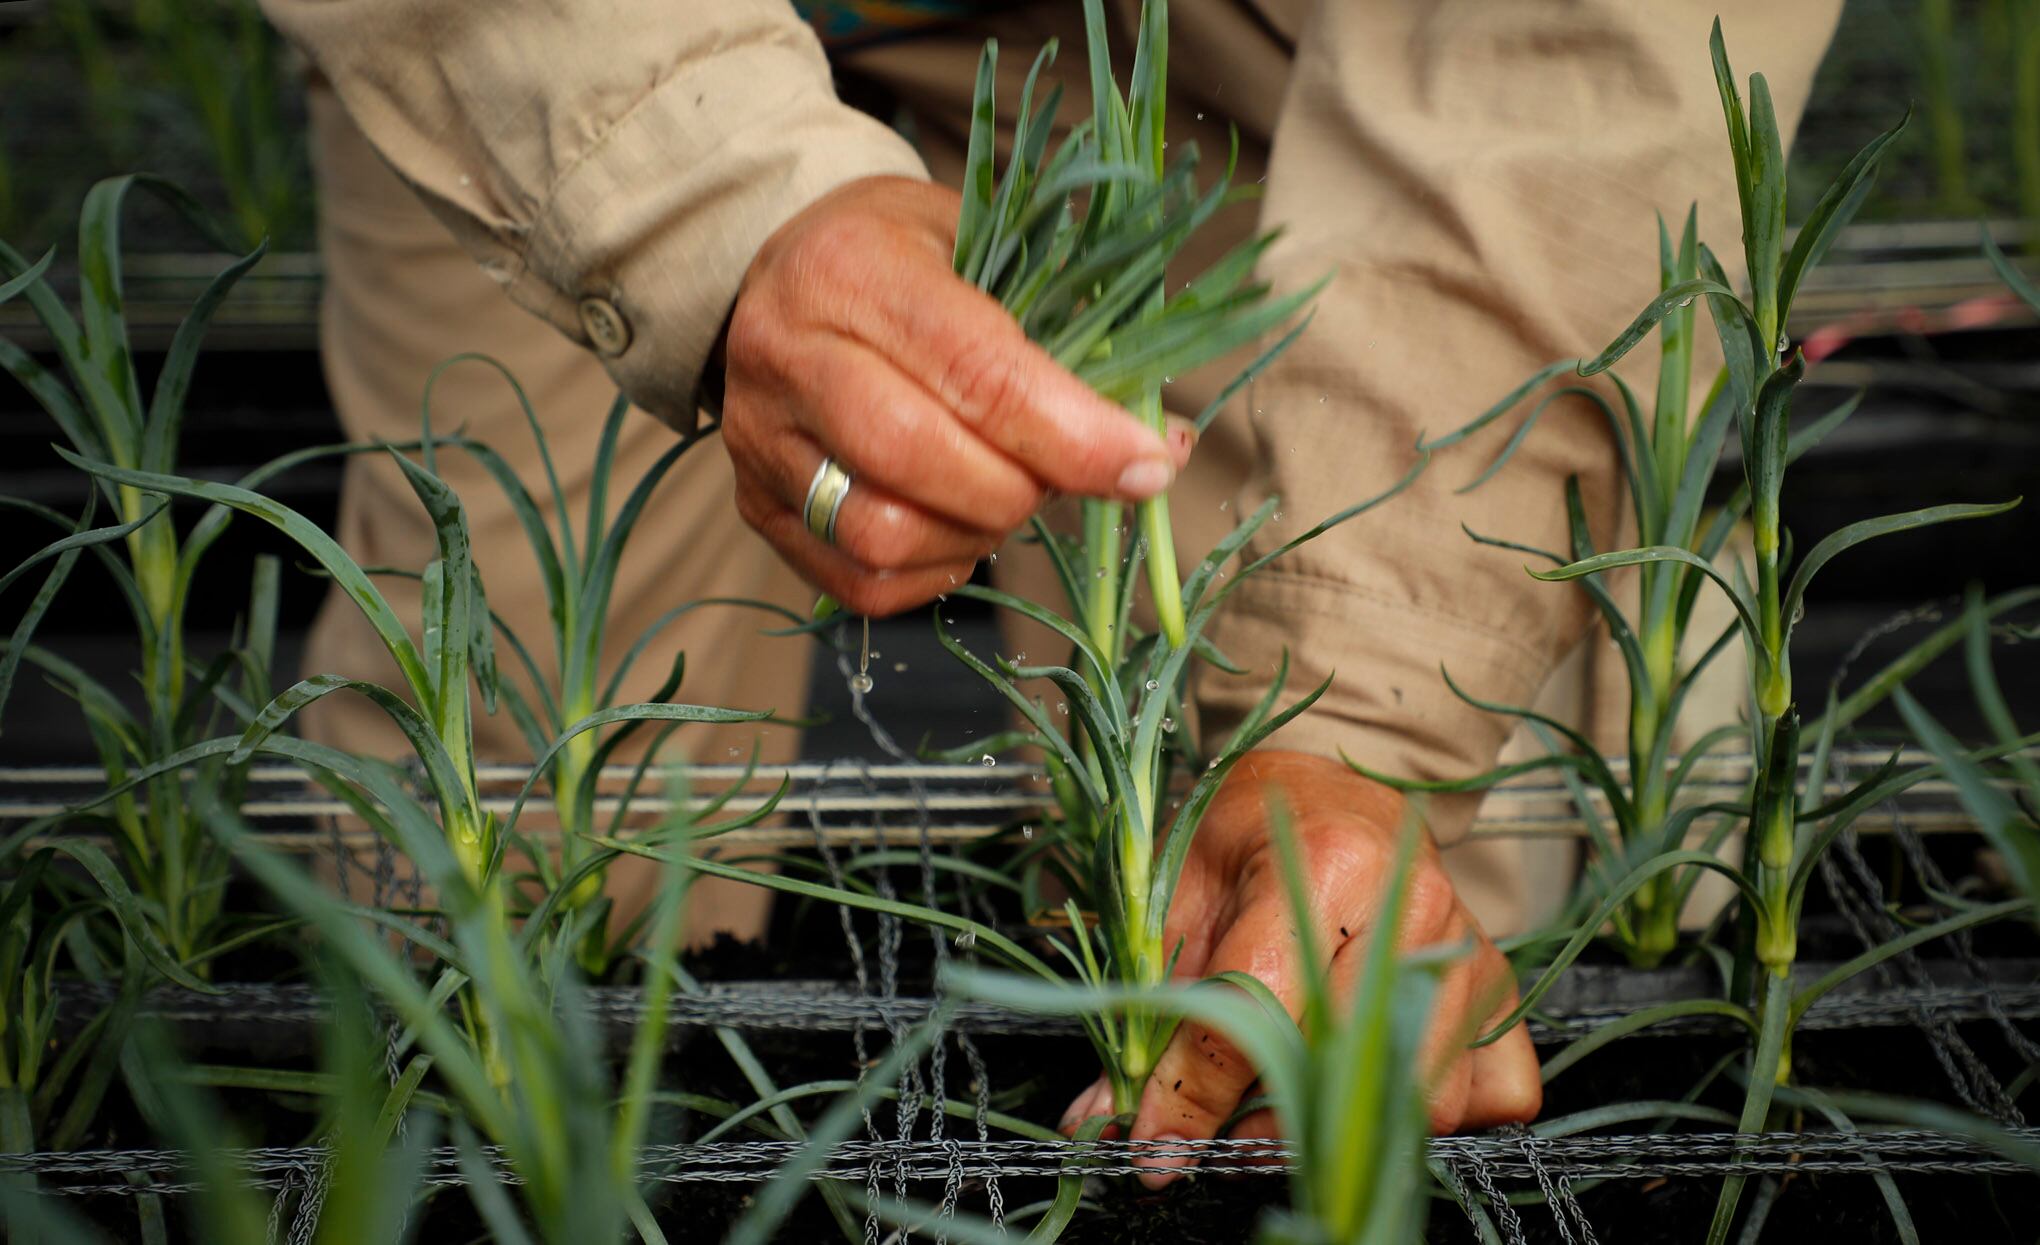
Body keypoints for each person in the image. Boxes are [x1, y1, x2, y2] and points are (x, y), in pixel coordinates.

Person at [256, 0, 1840, 1184]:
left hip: (1214, 47)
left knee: (1320, 951)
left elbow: (1568, 61)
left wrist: (1365, 699)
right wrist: (698, 209)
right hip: (572, 44)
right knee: (508, 899)